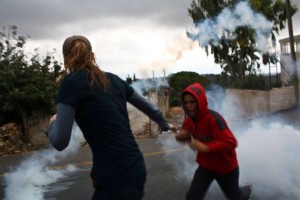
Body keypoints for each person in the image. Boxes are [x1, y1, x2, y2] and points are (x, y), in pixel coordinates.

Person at [48, 35, 175, 200]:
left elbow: (59, 142)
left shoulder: (70, 84)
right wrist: (166, 125)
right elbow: (149, 107)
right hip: (135, 166)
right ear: (91, 55)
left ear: (65, 58)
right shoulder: (113, 79)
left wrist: (52, 124)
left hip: (115, 175)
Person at [175, 82, 252, 200]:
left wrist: (206, 148)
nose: (189, 106)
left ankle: (247, 189)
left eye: (192, 102)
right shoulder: (189, 121)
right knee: (192, 197)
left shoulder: (214, 119)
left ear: (200, 102)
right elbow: (184, 135)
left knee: (237, 197)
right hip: (205, 167)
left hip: (225, 168)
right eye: (186, 103)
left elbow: (231, 142)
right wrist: (179, 137)